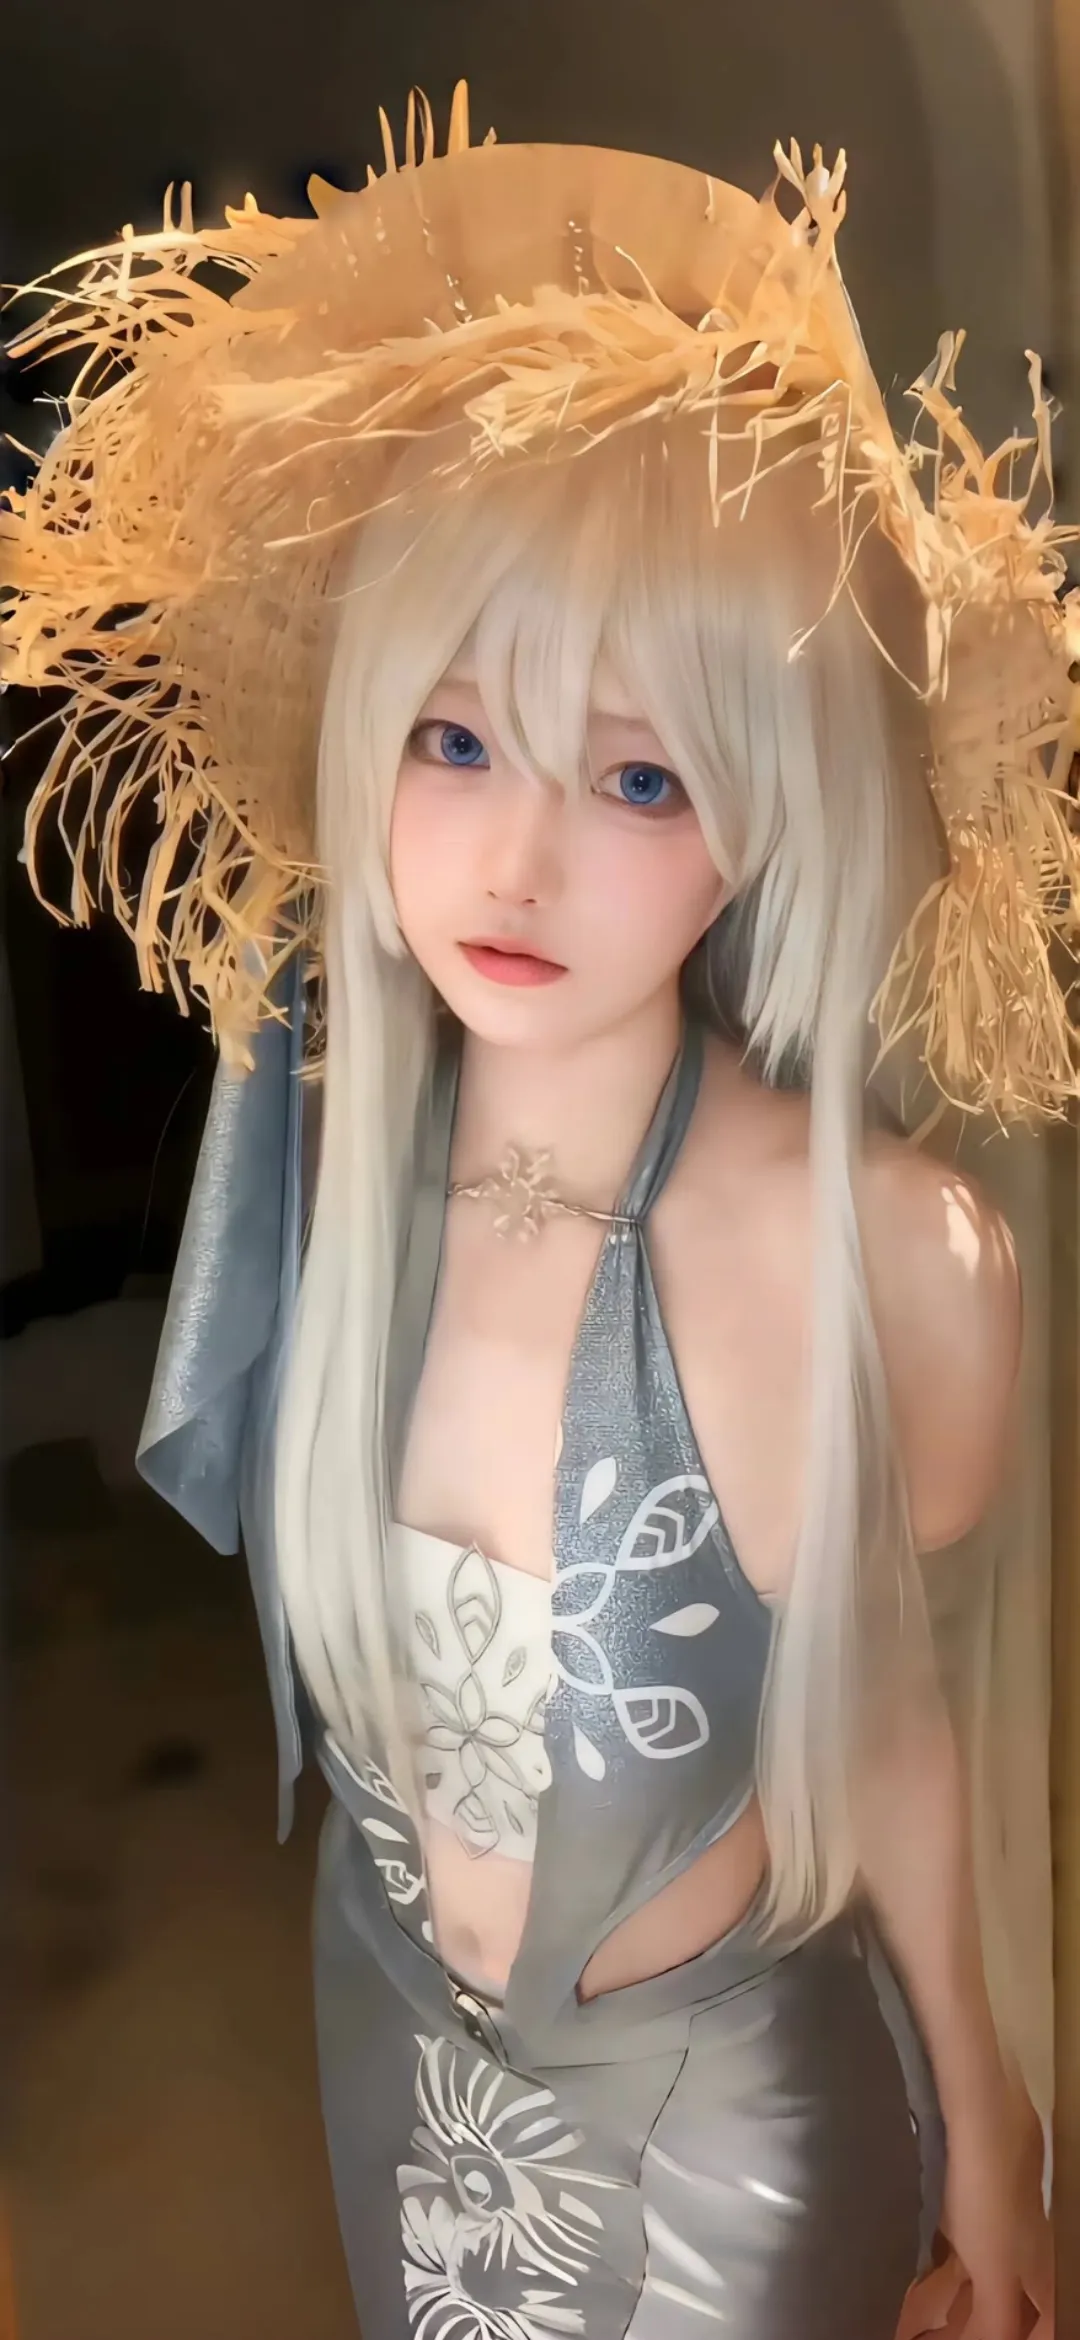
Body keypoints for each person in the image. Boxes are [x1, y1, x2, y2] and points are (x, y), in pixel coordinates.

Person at [3, 82, 1074, 2340]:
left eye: (641, 774)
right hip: (388, 2041)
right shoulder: (326, 1173)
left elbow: (886, 1716)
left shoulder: (880, 1259)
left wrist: (992, 2130)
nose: (517, 860)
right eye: (458, 738)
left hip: (719, 2146)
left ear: (762, 808)